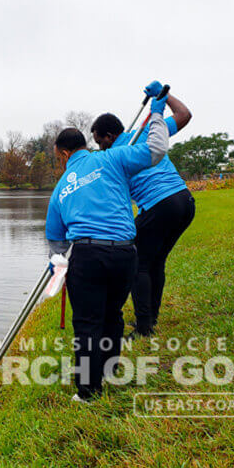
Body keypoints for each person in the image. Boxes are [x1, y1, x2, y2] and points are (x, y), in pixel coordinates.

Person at [45, 91, 170, 402]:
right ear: (85, 146)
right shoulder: (112, 157)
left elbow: (56, 242)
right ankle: (110, 368)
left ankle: (87, 392)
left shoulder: (60, 188)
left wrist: (57, 265)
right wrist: (156, 113)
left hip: (88, 255)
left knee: (87, 323)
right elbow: (156, 149)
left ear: (62, 154)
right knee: (112, 314)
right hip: (125, 252)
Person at [91, 80, 195, 337]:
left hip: (161, 203)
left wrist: (163, 95)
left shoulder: (113, 154)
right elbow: (184, 115)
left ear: (110, 137)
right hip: (184, 201)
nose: (98, 147)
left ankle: (144, 327)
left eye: (99, 142)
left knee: (138, 263)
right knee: (154, 261)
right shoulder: (151, 130)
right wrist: (166, 98)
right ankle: (151, 318)